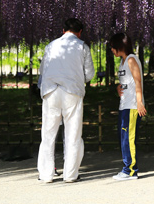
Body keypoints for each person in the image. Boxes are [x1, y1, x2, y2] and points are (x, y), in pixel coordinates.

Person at [36, 18, 95, 183]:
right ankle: (70, 175)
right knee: (73, 134)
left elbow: (43, 70)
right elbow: (89, 74)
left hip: (50, 92)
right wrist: (75, 77)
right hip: (72, 92)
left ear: (63, 31)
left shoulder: (50, 46)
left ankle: (46, 175)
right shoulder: (82, 47)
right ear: (80, 32)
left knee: (48, 134)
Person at [109, 32, 147, 180]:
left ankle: (130, 170)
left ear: (120, 46)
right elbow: (128, 82)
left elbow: (138, 81)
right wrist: (119, 88)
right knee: (123, 137)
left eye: (113, 47)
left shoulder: (131, 59)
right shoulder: (123, 61)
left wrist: (139, 103)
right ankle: (127, 168)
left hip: (132, 105)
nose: (112, 50)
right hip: (124, 104)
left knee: (128, 138)